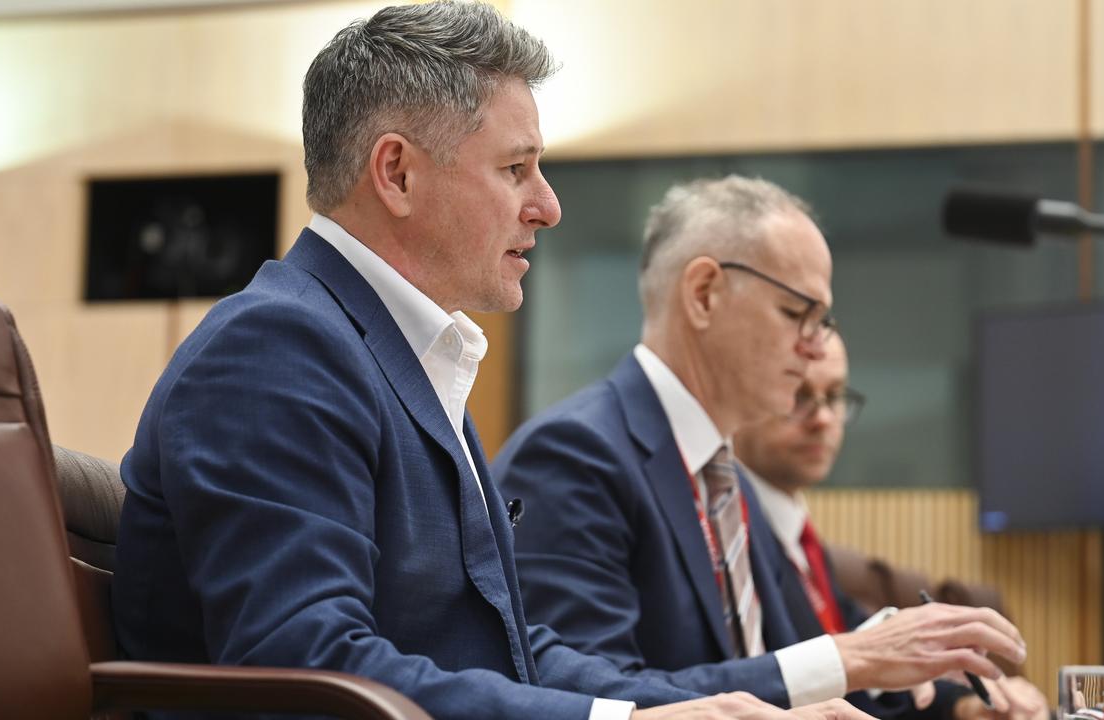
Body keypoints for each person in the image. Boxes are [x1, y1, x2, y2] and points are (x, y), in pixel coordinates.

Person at [111, 4, 871, 720]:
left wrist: (664, 713)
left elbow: (514, 654)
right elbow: (307, 665)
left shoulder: (391, 355)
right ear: (398, 174)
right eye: (517, 170)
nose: (548, 205)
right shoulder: (278, 349)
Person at [494, 176, 1029, 715]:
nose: (815, 345)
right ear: (704, 294)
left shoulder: (727, 477)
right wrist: (849, 655)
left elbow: (800, 656)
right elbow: (585, 698)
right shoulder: (575, 454)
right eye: (798, 313)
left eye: (824, 322)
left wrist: (962, 709)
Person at [733, 333, 1050, 720]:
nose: (823, 418)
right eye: (799, 396)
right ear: (744, 397)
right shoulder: (729, 533)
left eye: (834, 396)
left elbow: (866, 678)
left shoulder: (800, 537)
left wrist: (964, 706)